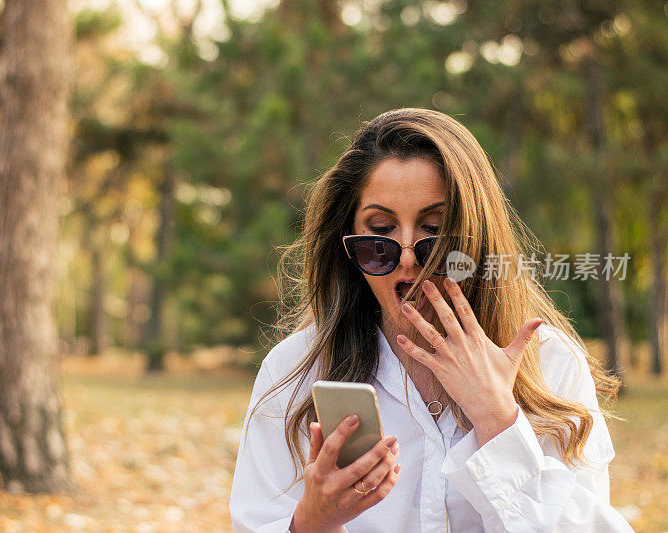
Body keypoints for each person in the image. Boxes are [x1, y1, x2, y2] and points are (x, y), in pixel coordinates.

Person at [229, 108, 634, 532]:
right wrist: (310, 523)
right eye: (380, 230)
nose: (406, 258)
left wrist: (498, 420)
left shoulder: (549, 362)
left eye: (434, 229)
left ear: (476, 240)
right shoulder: (295, 371)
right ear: (347, 245)